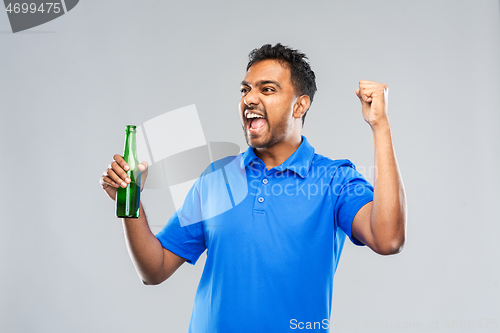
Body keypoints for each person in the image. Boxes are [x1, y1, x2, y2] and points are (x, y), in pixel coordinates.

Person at [100, 43, 406, 332]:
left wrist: (380, 125)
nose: (249, 99)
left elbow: (389, 239)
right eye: (245, 90)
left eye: (267, 89)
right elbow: (154, 269)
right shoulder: (216, 177)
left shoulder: (335, 179)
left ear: (300, 105)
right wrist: (132, 203)